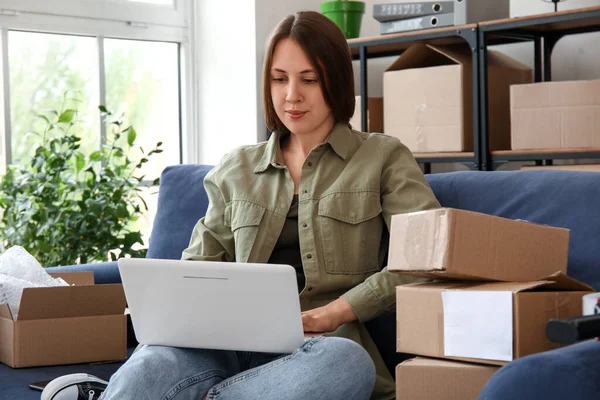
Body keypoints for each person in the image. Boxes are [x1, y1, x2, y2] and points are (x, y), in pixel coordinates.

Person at [42, 10, 440, 400]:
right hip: (224, 344)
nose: (291, 96)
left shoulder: (383, 157)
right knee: (153, 361)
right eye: (279, 79)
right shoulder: (237, 167)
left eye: (309, 80)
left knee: (349, 364)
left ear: (334, 81)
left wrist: (335, 311)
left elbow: (425, 259)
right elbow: (198, 266)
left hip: (319, 347)